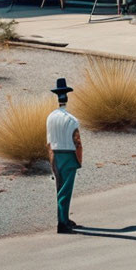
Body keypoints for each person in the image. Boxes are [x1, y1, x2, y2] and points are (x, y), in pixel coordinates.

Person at [46, 78, 83, 234]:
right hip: (68, 155)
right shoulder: (72, 120)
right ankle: (62, 223)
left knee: (60, 188)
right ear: (67, 97)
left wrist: (51, 161)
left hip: (55, 154)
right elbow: (77, 142)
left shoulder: (50, 117)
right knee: (65, 190)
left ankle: (64, 218)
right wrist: (79, 160)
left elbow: (48, 143)